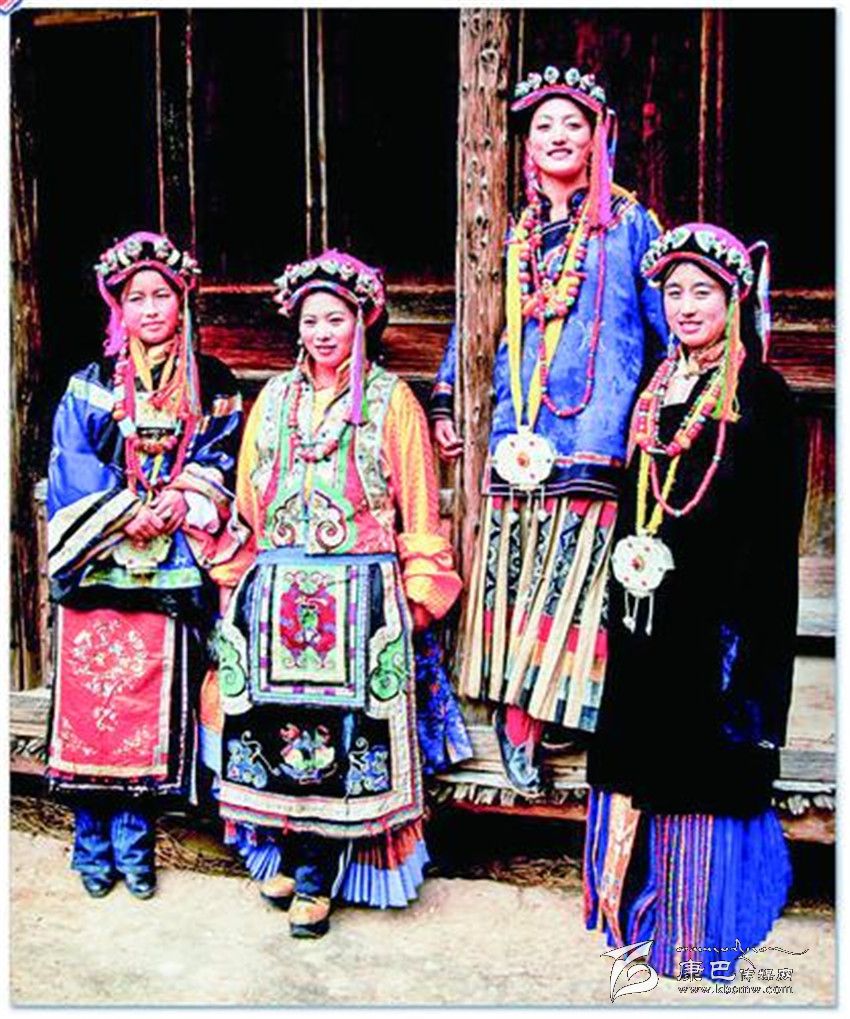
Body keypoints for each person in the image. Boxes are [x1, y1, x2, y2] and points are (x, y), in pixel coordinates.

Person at [207, 250, 463, 938]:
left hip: (357, 598)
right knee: (279, 727)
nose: (322, 332)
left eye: (336, 319)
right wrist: (236, 581)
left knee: (340, 737)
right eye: (311, 320)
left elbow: (419, 504)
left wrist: (417, 593)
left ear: (362, 320)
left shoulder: (392, 401)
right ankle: (288, 854)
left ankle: (317, 875)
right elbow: (248, 501)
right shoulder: (274, 401)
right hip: (278, 592)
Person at [430, 65, 667, 796]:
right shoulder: (515, 231)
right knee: (516, 575)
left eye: (573, 124)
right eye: (543, 126)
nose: (558, 136)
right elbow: (477, 320)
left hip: (596, 427)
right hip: (519, 430)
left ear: (599, 137)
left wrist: (665, 403)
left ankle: (547, 714)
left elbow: (664, 323)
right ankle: (522, 715)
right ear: (527, 145)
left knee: (575, 581)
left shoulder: (632, 224)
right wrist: (445, 397)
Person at [583, 223, 806, 980]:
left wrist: (735, 615)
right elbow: (637, 497)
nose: (685, 306)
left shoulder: (761, 395)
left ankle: (695, 921)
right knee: (641, 739)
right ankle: (634, 904)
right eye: (673, 292)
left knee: (701, 746)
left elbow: (771, 526)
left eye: (702, 292)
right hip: (649, 598)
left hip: (719, 612)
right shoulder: (656, 387)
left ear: (732, 300)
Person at [45, 231, 242, 899]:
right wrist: (125, 511)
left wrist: (181, 498)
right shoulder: (89, 383)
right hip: (99, 565)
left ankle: (135, 847)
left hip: (169, 569)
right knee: (91, 708)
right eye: (137, 298)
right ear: (118, 308)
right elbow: (72, 461)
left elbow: (220, 454)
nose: (151, 309)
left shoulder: (213, 382)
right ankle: (89, 847)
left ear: (182, 302)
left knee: (145, 713)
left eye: (162, 295)